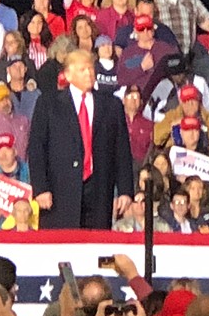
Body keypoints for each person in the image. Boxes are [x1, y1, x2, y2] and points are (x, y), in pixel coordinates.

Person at [29, 49, 134, 229]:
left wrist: (125, 190)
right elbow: (37, 148)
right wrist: (41, 188)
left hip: (99, 190)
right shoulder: (48, 103)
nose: (89, 74)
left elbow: (122, 151)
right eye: (82, 70)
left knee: (96, 249)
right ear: (68, 75)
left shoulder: (112, 105)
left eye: (91, 69)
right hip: (59, 191)